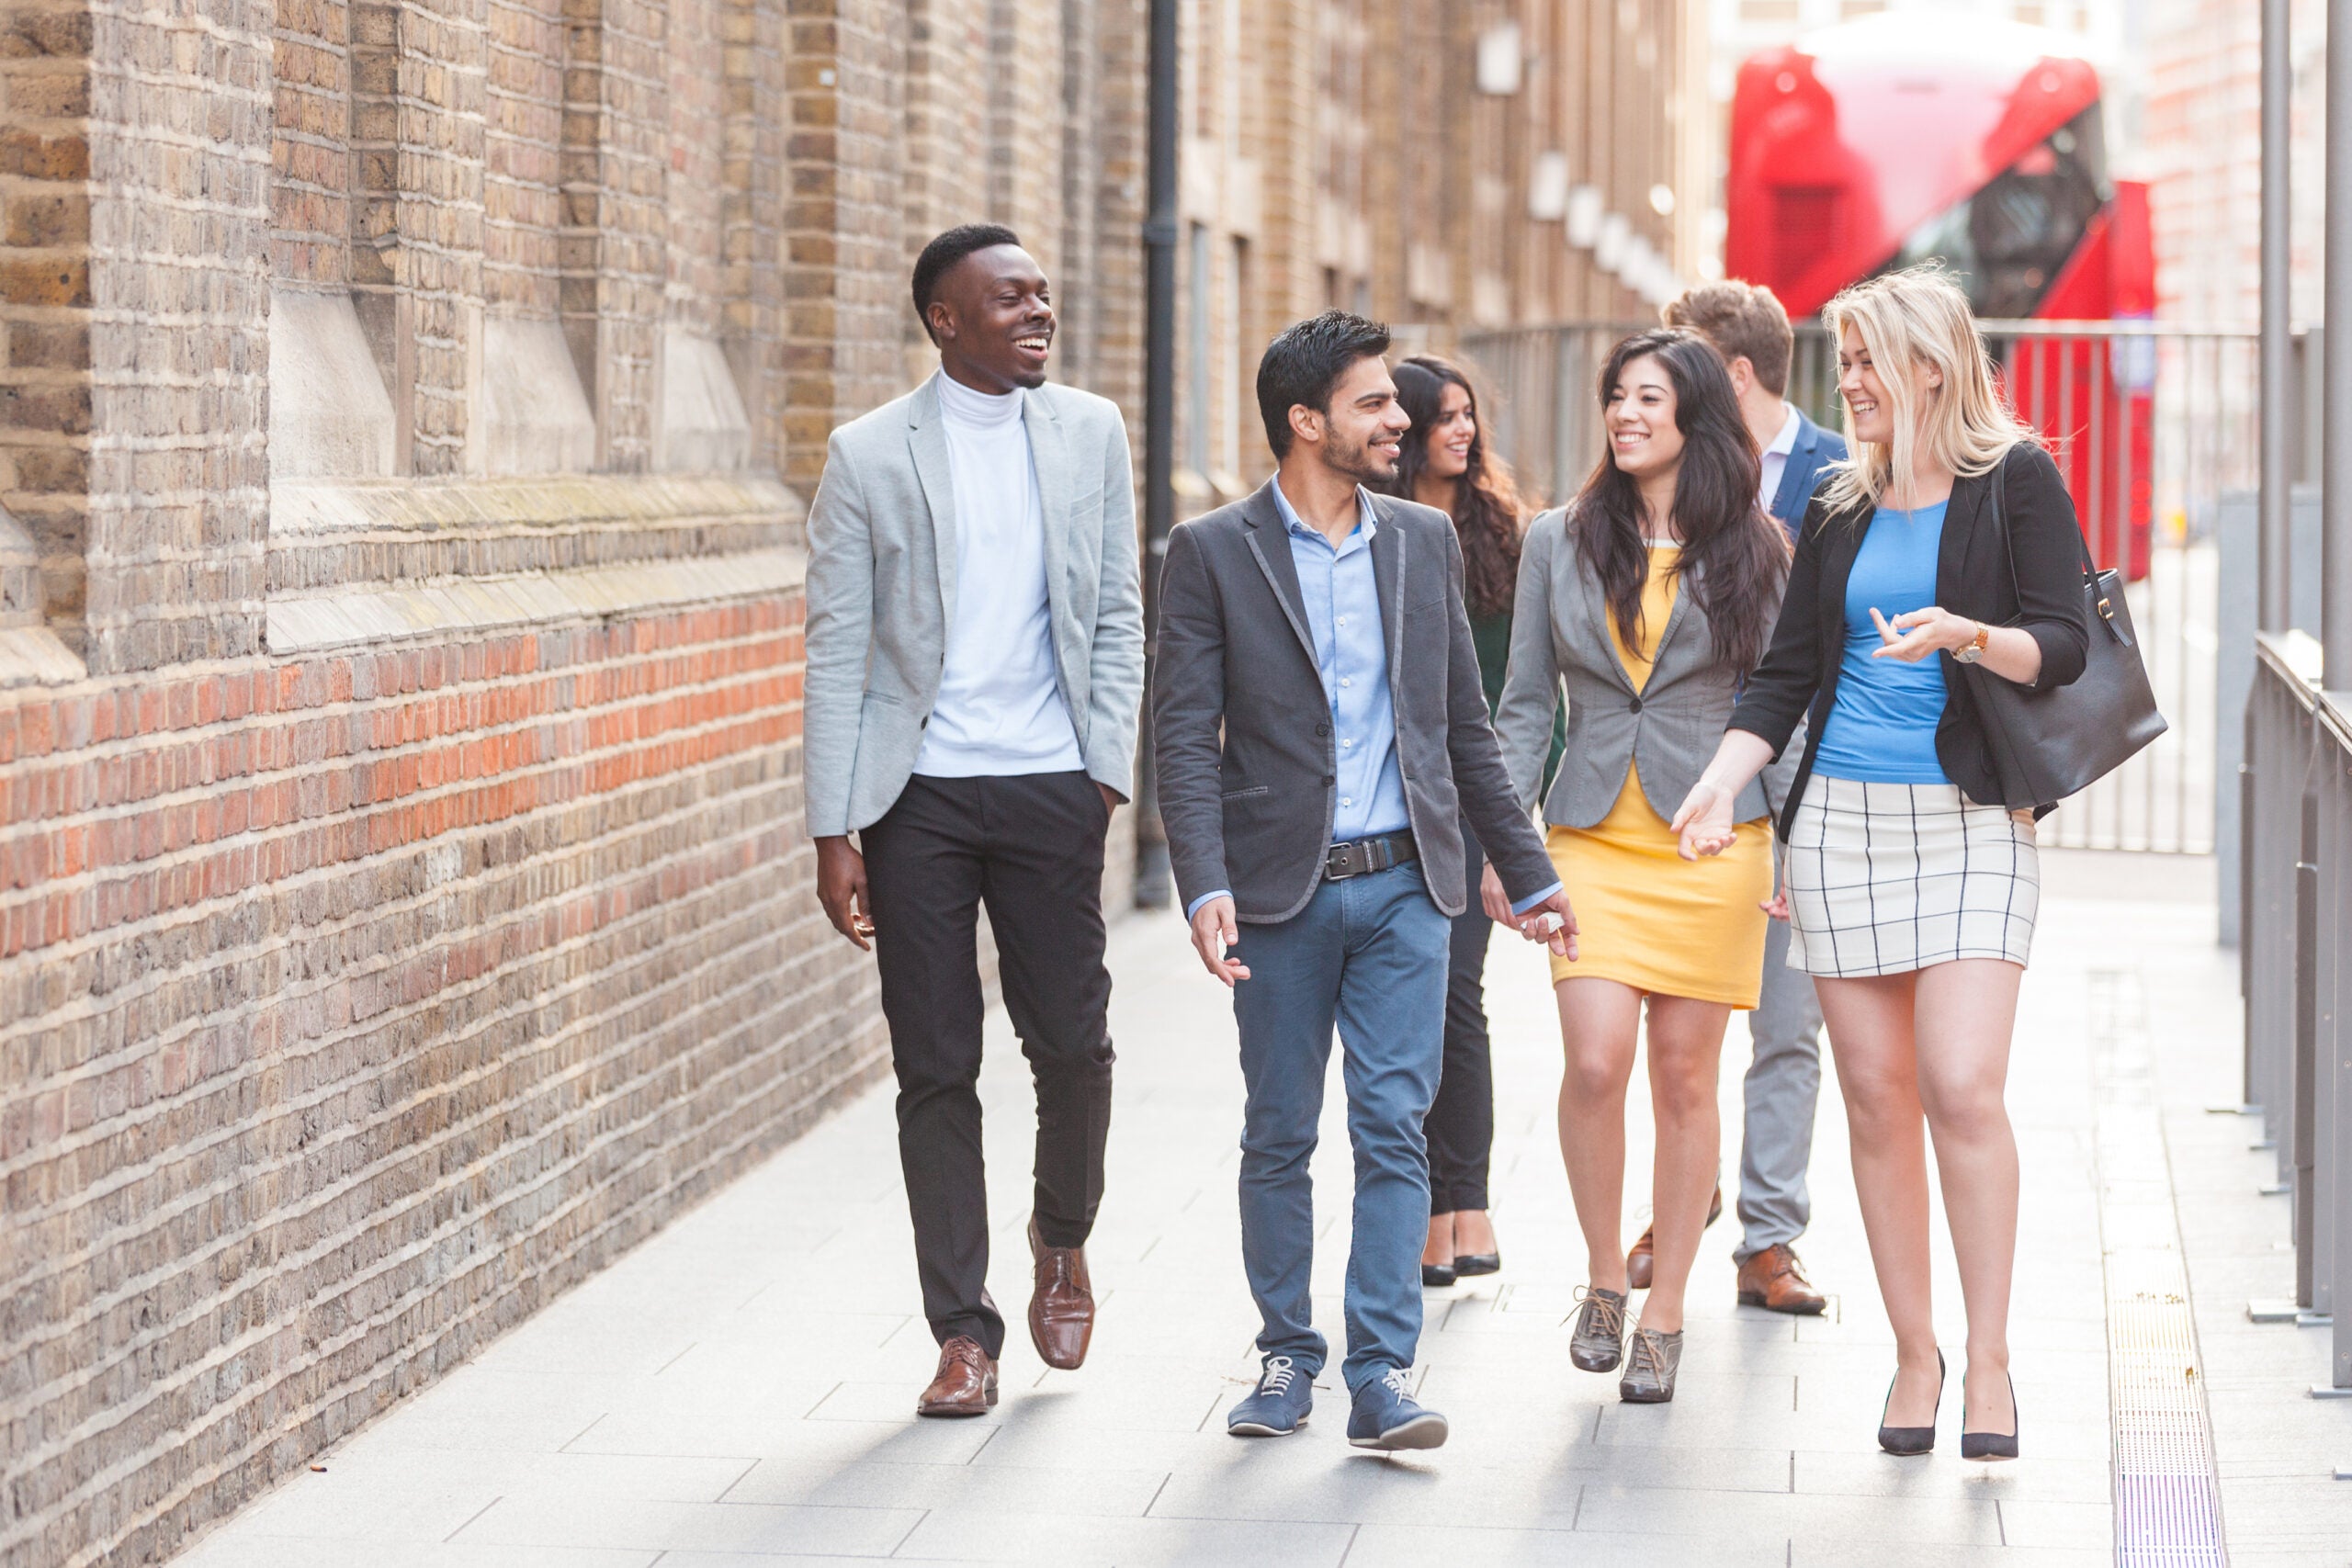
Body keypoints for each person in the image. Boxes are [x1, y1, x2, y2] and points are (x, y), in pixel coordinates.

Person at [1672, 266, 2091, 1460]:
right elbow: (1788, 670)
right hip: (1841, 821)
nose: (1847, 381)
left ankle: (1993, 1355)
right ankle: (1917, 1351)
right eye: (1841, 361)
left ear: (1930, 364)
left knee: (1961, 1082)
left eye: (1866, 360)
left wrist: (1972, 635)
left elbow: (2062, 643)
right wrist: (1722, 784)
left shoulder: (2013, 480)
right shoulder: (1841, 503)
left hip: (1969, 821)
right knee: (1874, 1096)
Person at [1152, 312, 1576, 1451]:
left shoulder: (1417, 543)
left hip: (1406, 886)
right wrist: (1202, 884)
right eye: (1376, 403)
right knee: (1280, 1131)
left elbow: (1461, 728)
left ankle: (1381, 1371)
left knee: (1394, 1127)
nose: (1404, 420)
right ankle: (1287, 1358)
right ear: (1307, 422)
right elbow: (1186, 736)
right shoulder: (1210, 553)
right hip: (1280, 895)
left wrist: (1526, 875)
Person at [801, 223, 1144, 1418]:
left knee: (1072, 1046)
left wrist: (1101, 770)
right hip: (920, 801)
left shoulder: (1090, 432)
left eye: (1043, 294)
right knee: (934, 1064)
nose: (1037, 311)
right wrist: (835, 824)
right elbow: (839, 643)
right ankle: (964, 1330)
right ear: (945, 319)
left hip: (1052, 785)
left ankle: (1063, 1233)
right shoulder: (868, 455)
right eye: (1010, 299)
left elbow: (1117, 617)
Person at [1486, 327, 1792, 1404]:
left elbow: (1779, 708)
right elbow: (1524, 705)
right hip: (1587, 842)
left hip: (1713, 843)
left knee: (1682, 1076)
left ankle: (1667, 1313)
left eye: (1648, 398)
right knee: (1599, 1061)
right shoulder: (1556, 542)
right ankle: (1605, 1276)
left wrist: (1788, 844)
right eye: (1616, 396)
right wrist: (1506, 842)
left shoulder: (1762, 549)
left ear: (1695, 416)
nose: (1624, 414)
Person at [1614, 280, 1845, 1316]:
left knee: (1788, 1018)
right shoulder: (1659, 481)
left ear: (1732, 374)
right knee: (1681, 1027)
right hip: (1685, 778)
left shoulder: (1843, 474)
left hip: (1814, 774)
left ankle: (1768, 1236)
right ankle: (1683, 1194)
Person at [1378, 355, 1560, 1291]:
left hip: (1473, 797)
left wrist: (1514, 824)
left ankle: (1464, 1203)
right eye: (1442, 418)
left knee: (1452, 997)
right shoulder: (1366, 527)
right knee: (1404, 1008)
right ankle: (1428, 1211)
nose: (1462, 432)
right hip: (1385, 801)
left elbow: (1532, 689)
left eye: (1467, 416)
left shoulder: (1508, 538)